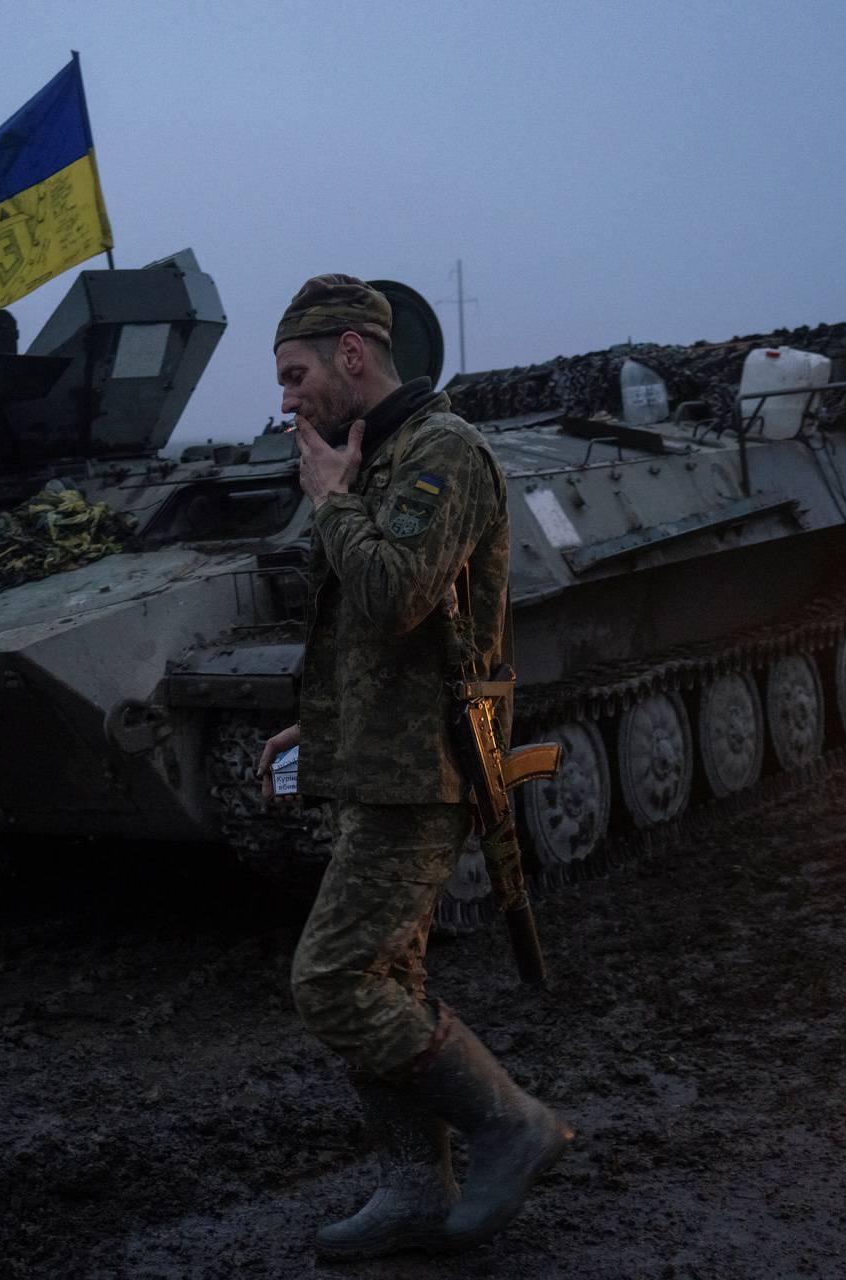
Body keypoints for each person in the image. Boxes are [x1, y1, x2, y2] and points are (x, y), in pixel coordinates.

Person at [254, 275, 569, 1259]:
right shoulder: (374, 454)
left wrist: (331, 502)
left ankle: (511, 1121)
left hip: (426, 768)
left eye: (296, 373)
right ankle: (415, 1185)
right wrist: (314, 723)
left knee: (332, 978)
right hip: (375, 760)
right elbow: (366, 631)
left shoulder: (442, 452)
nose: (288, 397)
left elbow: (393, 592)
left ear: (354, 353)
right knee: (384, 974)